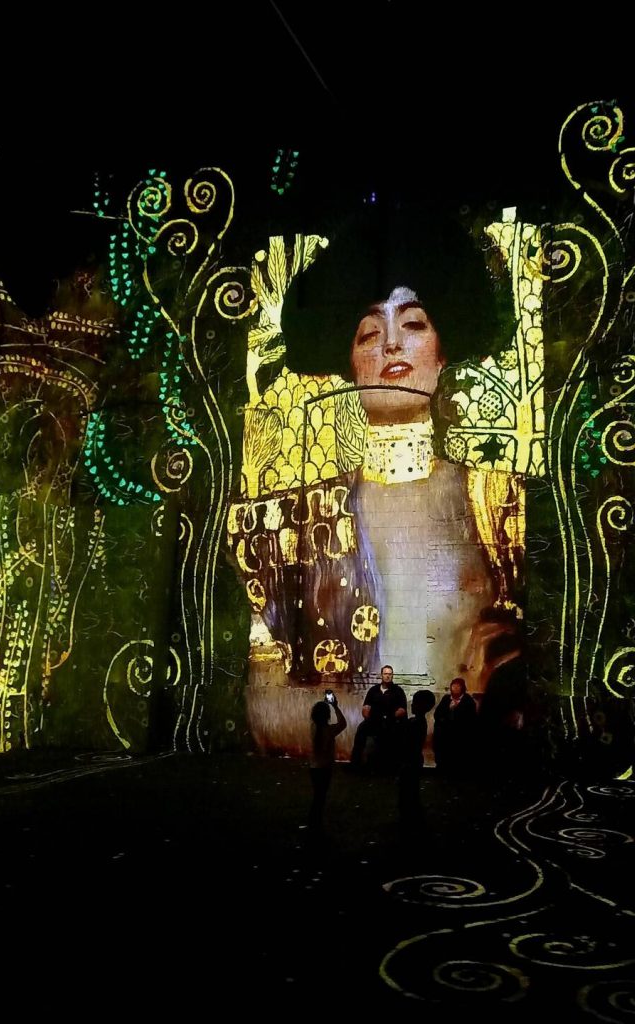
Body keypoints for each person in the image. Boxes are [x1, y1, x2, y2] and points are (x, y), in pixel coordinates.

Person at [233, 210, 526, 754]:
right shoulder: (290, 523)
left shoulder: (500, 503)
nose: (392, 344)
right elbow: (264, 706)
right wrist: (414, 731)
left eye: (413, 325)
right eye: (370, 332)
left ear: (443, 349)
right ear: (348, 360)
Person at [349, 665, 407, 771]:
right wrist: (368, 718)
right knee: (361, 729)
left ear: (392, 676)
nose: (387, 676)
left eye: (389, 674)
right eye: (385, 674)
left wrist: (391, 717)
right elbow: (366, 707)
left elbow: (402, 709)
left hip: (391, 721)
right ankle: (356, 763)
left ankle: (393, 765)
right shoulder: (373, 690)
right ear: (381, 675)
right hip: (374, 721)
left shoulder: (398, 691)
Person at [398, 689, 436, 831]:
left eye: (415, 703)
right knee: (411, 791)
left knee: (408, 791)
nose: (412, 705)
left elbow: (405, 740)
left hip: (410, 760)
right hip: (414, 759)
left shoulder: (415, 723)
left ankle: (410, 820)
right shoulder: (419, 722)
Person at [308, 692, 347, 832]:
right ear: (327, 716)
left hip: (314, 767)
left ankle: (314, 820)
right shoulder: (329, 730)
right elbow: (343, 723)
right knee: (321, 796)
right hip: (325, 768)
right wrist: (335, 706)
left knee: (317, 795)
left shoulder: (313, 728)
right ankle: (316, 822)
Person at [433, 677, 478, 773]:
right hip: (445, 735)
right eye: (454, 686)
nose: (455, 688)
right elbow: (437, 714)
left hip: (460, 736)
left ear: (462, 688)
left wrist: (457, 710)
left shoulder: (468, 701)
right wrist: (449, 709)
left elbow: (470, 719)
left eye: (458, 686)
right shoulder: (446, 699)